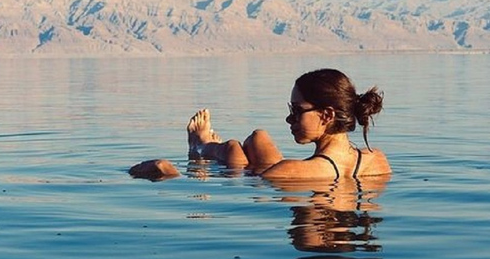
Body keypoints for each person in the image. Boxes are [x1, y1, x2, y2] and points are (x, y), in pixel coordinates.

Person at [129, 68, 391, 181]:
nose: (289, 120)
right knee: (258, 137)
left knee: (233, 151)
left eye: (297, 112)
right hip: (312, 171)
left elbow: (247, 181)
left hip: (280, 174)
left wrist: (166, 171)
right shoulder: (377, 160)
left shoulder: (288, 171)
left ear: (326, 115)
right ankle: (205, 144)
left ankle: (200, 146)